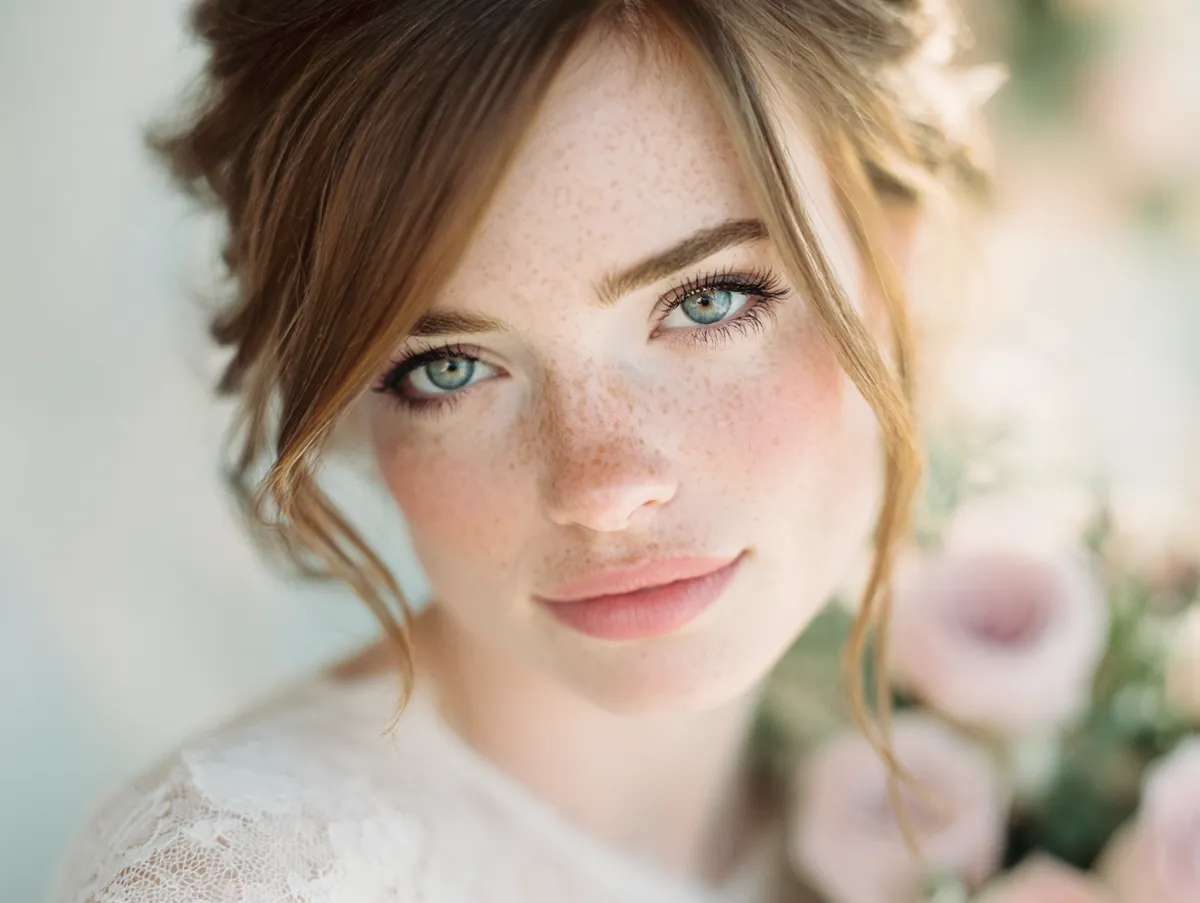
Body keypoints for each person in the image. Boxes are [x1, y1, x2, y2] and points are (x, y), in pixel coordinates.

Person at [51, 1, 992, 900]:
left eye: (708, 301)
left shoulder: (958, 776)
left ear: (890, 265)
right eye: (450, 366)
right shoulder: (247, 880)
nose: (603, 486)